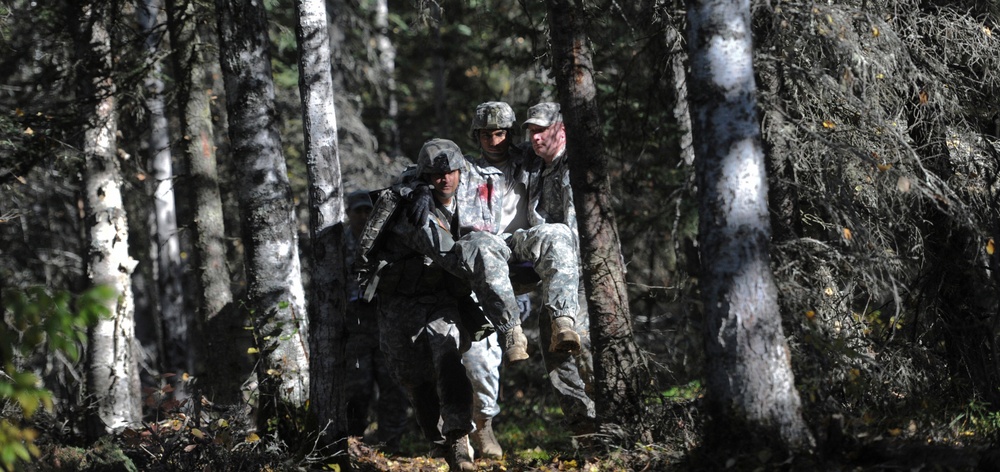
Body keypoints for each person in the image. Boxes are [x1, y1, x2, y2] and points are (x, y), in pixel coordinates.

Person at [363, 138, 530, 471]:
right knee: (414, 380)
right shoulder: (409, 205)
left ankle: (459, 442)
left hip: (441, 299)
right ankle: (439, 440)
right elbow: (448, 254)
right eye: (437, 174)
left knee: (449, 356)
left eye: (451, 172)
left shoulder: (470, 197)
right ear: (425, 175)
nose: (445, 179)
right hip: (400, 303)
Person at [460, 101, 594, 458]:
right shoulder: (466, 170)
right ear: (477, 136)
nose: (494, 140)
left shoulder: (530, 161)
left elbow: (560, 153)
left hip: (524, 252)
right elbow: (433, 180)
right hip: (485, 261)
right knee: (478, 363)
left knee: (556, 234)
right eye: (486, 133)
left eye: (501, 132)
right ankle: (509, 334)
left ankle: (563, 318)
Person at [521, 101, 597, 440]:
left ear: (561, 130)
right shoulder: (538, 170)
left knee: (589, 349)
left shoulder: (577, 163)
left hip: (589, 274)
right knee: (556, 353)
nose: (535, 138)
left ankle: (613, 421)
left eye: (542, 130)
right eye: (531, 131)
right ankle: (584, 429)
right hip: (557, 278)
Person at [341, 190, 409, 453]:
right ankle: (353, 442)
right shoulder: (339, 243)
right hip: (354, 325)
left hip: (386, 321)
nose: (362, 216)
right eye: (357, 211)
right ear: (348, 214)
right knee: (358, 388)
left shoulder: (386, 240)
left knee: (393, 385)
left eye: (367, 210)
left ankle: (391, 443)